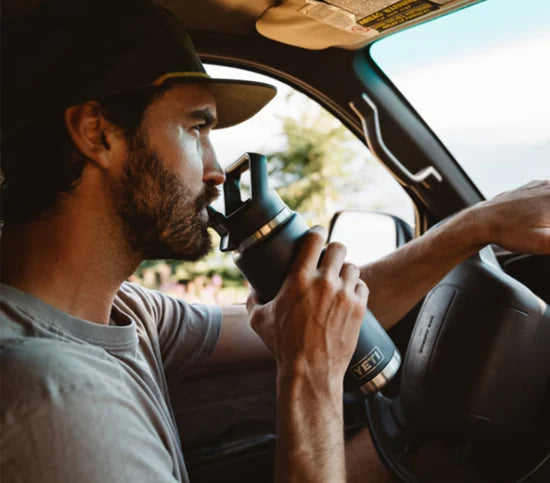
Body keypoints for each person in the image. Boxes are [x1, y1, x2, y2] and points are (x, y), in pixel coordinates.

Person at [1, 1, 549, 482]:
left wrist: (478, 225)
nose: (215, 171)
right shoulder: (54, 399)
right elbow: (306, 342)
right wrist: (310, 378)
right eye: (197, 128)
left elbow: (309, 317)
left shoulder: (123, 310)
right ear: (98, 134)